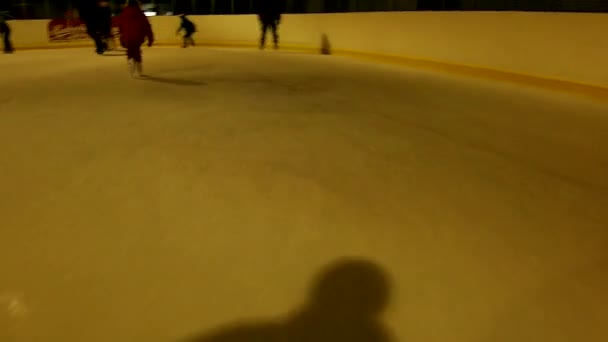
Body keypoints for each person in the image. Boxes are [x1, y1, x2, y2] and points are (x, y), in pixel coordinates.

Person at [118, 0, 154, 78]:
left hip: (127, 37)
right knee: (136, 51)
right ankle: (139, 70)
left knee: (130, 51)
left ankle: (131, 62)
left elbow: (120, 27)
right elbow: (147, 27)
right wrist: (150, 39)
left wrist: (121, 38)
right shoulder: (141, 14)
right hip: (138, 37)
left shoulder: (123, 14)